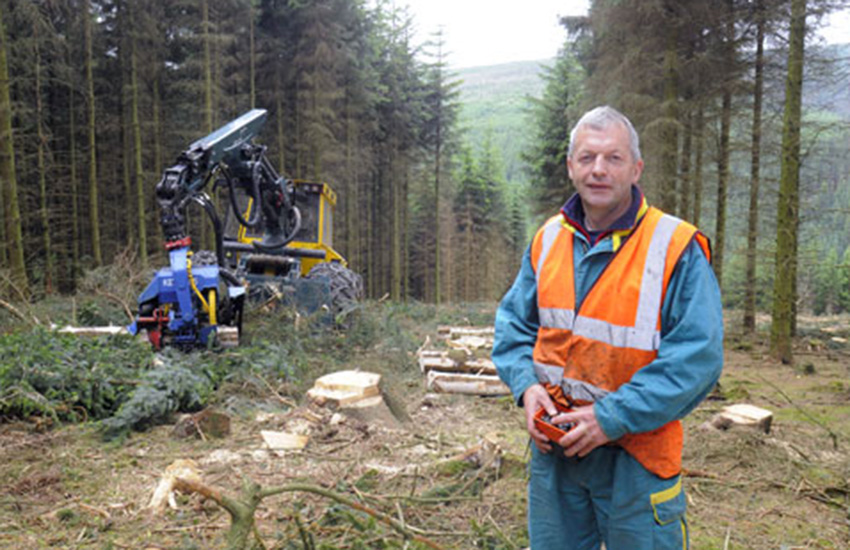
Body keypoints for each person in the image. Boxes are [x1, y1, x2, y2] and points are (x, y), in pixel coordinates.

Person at [492, 105, 723, 550]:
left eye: (613, 158)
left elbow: (698, 358)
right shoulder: (548, 239)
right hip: (555, 456)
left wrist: (609, 418)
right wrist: (526, 388)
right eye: (587, 157)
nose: (599, 169)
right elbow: (513, 328)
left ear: (636, 168)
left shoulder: (675, 246)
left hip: (636, 461)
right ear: (571, 166)